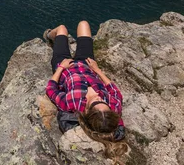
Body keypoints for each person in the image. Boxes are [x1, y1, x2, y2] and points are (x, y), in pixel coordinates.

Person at [44, 21, 127, 159]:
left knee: (62, 29)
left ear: (87, 111)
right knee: (84, 24)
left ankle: (48, 35)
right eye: (103, 101)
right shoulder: (113, 107)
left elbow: (51, 89)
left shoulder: (73, 103)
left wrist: (61, 68)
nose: (99, 97)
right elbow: (115, 91)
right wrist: (97, 70)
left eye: (95, 102)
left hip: (64, 66)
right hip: (87, 64)